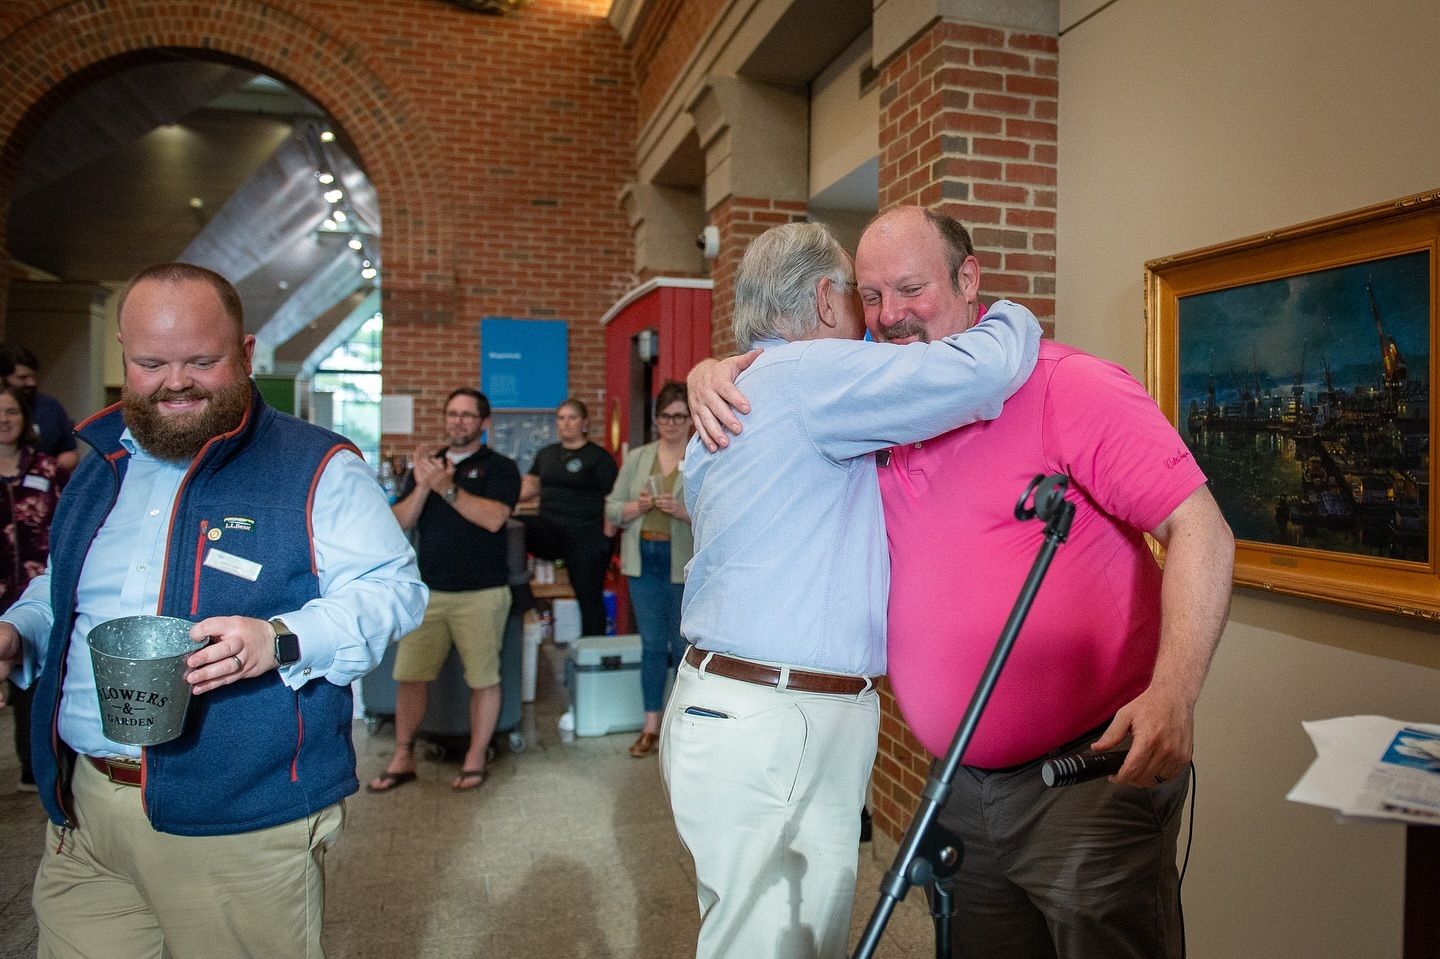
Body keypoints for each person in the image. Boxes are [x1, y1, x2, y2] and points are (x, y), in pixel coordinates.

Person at [690, 207, 1236, 959]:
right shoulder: (886, 407)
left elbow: (1201, 528)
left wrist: (1175, 691)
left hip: (1085, 777)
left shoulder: (1068, 385)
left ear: (968, 279)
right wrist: (711, 370)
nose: (888, 316)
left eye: (909, 288)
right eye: (871, 296)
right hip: (961, 788)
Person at [0, 262, 427, 958]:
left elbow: (393, 589)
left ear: (248, 353)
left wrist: (280, 636)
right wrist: (20, 630)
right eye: (150, 362)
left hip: (239, 822)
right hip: (86, 812)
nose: (176, 381)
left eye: (202, 359)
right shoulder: (98, 459)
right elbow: (64, 588)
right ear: (124, 356)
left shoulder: (316, 463)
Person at [667, 220, 1040, 959]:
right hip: (779, 720)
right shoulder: (811, 377)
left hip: (741, 709)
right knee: (774, 944)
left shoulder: (743, 386)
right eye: (862, 296)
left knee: (768, 933)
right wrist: (1007, 312)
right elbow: (983, 372)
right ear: (824, 296)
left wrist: (702, 367)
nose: (876, 318)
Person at [369, 387, 520, 794]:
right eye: (452, 413)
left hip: (482, 593)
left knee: (483, 679)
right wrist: (422, 485)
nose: (458, 421)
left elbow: (493, 520)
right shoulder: (427, 467)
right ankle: (403, 756)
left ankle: (475, 757)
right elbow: (398, 522)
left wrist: (448, 488)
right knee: (410, 676)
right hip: (428, 591)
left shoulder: (501, 467)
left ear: (483, 424)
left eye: (468, 415)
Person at [604, 380, 693, 758]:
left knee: (684, 647)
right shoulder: (639, 458)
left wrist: (683, 512)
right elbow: (611, 508)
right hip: (643, 559)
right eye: (665, 416)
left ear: (691, 419)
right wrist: (636, 508)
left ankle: (683, 727)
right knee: (653, 645)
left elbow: (720, 516)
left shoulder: (705, 454)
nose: (671, 423)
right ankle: (651, 726)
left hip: (681, 562)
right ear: (656, 419)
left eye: (679, 416)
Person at [0, 385, 62, 792]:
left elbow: (67, 529)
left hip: (36, 584)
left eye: (11, 412)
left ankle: (29, 763)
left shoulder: (46, 469)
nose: (4, 419)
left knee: (30, 684)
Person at [518, 397, 618, 638]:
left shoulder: (598, 457)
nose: (566, 423)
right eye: (561, 418)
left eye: (572, 418)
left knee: (589, 598)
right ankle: (522, 598)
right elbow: (528, 488)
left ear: (584, 423)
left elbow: (614, 500)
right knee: (513, 527)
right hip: (550, 531)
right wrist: (498, 503)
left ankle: (592, 656)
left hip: (586, 536)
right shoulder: (547, 454)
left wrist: (607, 540)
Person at [0, 343, 79, 475]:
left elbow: (70, 451)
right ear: (3, 378)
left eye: (33, 376)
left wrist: (47, 471)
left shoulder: (50, 406)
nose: (32, 383)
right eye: (22, 378)